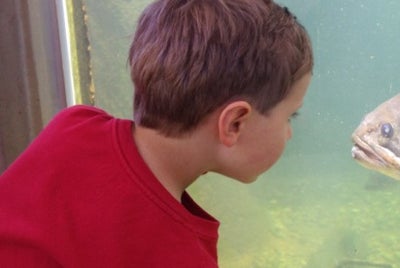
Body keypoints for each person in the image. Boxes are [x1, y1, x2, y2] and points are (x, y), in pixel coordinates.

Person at [0, 0, 313, 266]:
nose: (287, 134)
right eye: (290, 116)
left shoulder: (73, 125)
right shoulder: (179, 256)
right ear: (234, 124)